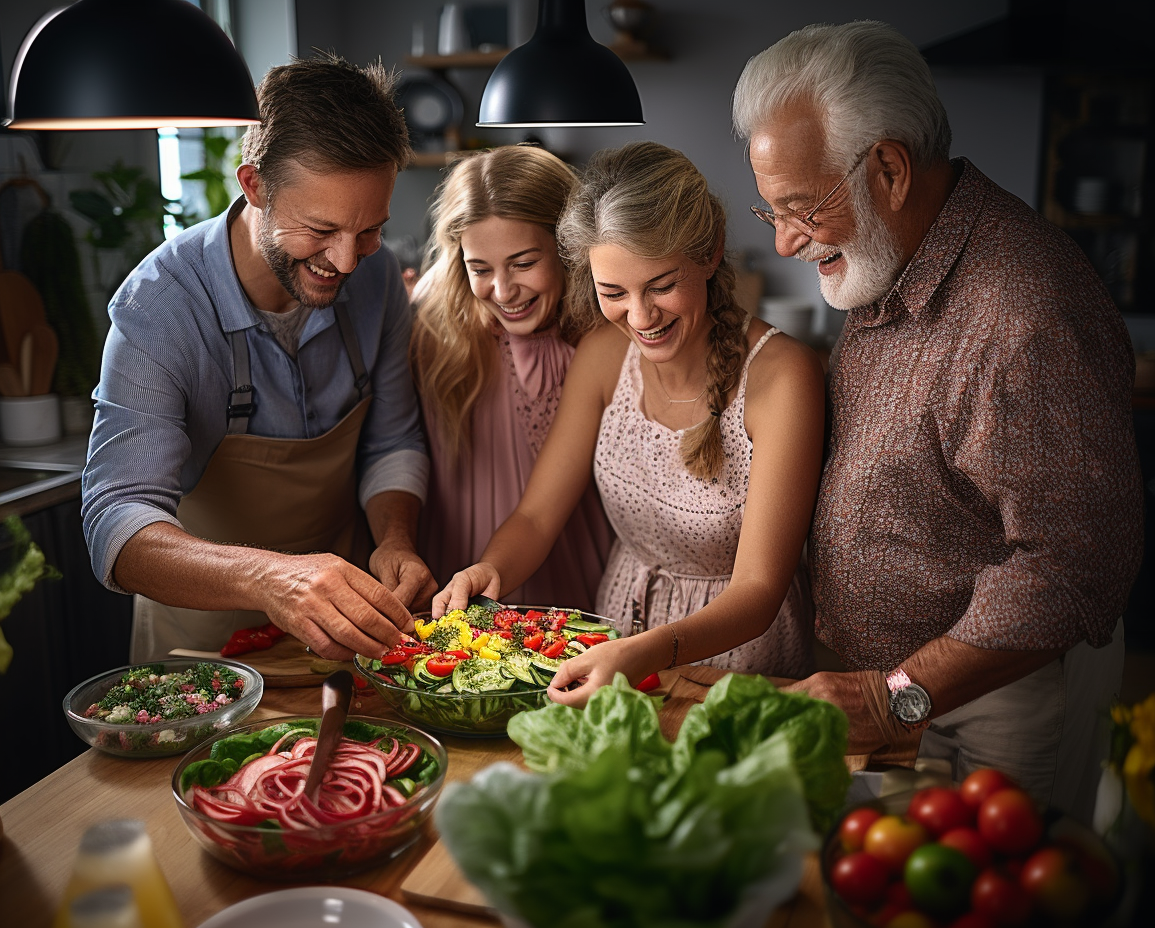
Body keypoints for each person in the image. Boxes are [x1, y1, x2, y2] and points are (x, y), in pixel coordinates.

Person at [732, 21, 1144, 821]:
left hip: (996, 703)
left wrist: (899, 699)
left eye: (801, 208)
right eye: (769, 210)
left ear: (887, 167)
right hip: (898, 691)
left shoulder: (1027, 311)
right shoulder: (893, 253)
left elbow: (1070, 569)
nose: (783, 241)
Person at [434, 141, 825, 705]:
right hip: (613, 645)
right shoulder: (602, 353)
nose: (639, 318)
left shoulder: (783, 376)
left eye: (661, 286)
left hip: (740, 668)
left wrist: (645, 650)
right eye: (613, 292)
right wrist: (489, 569)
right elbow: (537, 516)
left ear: (710, 253)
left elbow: (760, 592)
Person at [82, 53, 437, 663]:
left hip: (340, 626)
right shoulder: (159, 306)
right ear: (254, 187)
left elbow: (392, 441)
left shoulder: (376, 279)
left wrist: (394, 541)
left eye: (370, 230)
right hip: (201, 643)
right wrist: (273, 578)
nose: (348, 261)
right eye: (320, 229)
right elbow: (115, 525)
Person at [411, 145, 613, 608]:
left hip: (583, 579)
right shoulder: (431, 323)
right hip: (456, 573)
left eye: (524, 263)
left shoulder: (606, 335)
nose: (503, 291)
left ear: (568, 246)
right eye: (479, 268)